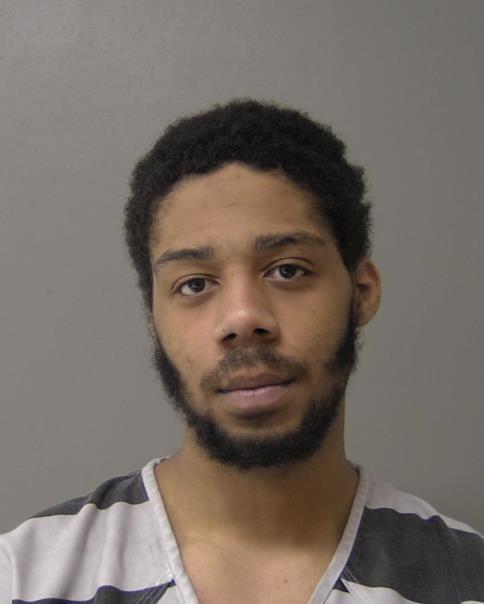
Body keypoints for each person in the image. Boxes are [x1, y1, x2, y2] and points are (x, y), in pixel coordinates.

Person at [0, 98, 482, 604]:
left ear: (361, 291)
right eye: (194, 284)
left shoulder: (467, 582)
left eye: (288, 270)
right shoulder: (22, 579)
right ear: (152, 319)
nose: (243, 317)